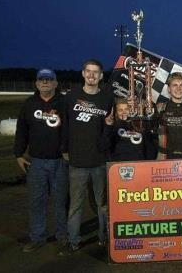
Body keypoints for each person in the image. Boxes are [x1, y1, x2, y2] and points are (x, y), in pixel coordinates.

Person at [14, 68, 68, 252]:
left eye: (49, 79)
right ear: (37, 83)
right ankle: (37, 237)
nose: (45, 82)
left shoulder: (64, 103)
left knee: (61, 201)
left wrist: (68, 151)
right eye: (41, 79)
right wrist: (19, 154)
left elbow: (72, 130)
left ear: (55, 83)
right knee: (37, 202)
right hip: (35, 162)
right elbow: (21, 130)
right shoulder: (29, 104)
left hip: (60, 162)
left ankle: (63, 235)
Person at [61, 59, 113, 253]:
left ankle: (104, 238)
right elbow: (64, 125)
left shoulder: (107, 98)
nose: (92, 75)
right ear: (83, 73)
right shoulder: (72, 96)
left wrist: (108, 127)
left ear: (101, 76)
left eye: (96, 72)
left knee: (102, 205)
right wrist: (64, 150)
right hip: (77, 162)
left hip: (99, 161)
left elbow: (109, 128)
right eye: (88, 71)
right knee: (76, 206)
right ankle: (73, 241)